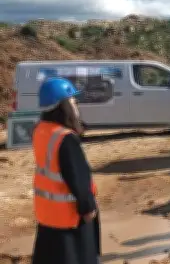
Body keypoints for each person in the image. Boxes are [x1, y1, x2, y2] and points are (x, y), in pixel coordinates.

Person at [31, 77, 101, 264]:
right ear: (63, 106)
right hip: (70, 217)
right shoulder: (65, 138)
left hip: (47, 213)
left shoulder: (40, 130)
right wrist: (88, 207)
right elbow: (77, 177)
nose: (76, 105)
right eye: (73, 101)